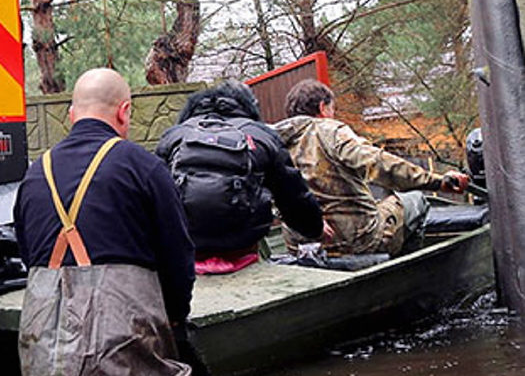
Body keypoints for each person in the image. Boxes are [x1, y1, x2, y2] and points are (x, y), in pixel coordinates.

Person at [14, 68, 194, 376]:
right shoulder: (145, 167)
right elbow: (178, 256)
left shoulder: (34, 173)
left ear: (71, 114)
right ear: (124, 111)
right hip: (122, 357)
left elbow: (26, 256)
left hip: (42, 360)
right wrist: (175, 319)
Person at [274, 79, 470, 257]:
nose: (333, 115)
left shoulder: (273, 142)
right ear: (322, 107)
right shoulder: (329, 131)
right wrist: (437, 181)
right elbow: (378, 163)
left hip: (300, 246)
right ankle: (405, 271)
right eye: (333, 109)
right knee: (416, 200)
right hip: (356, 241)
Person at [155, 80, 324, 272]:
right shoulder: (261, 135)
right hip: (243, 245)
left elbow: (153, 197)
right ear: (249, 105)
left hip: (188, 246)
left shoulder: (174, 135)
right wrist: (314, 229)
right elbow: (293, 197)